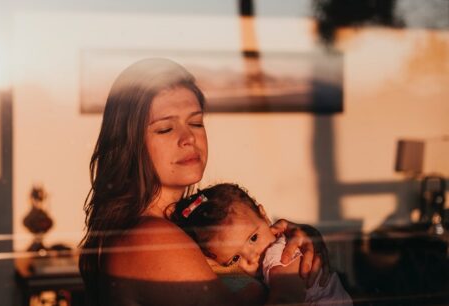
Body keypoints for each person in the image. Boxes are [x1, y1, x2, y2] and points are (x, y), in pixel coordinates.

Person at [79, 58, 331, 305]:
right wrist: (290, 275)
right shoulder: (151, 238)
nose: (188, 137)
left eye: (196, 122)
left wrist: (293, 249)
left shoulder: (186, 227)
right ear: (129, 143)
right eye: (166, 128)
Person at [171, 183, 353, 305]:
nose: (252, 258)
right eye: (235, 258)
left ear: (264, 215)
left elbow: (286, 299)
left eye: (253, 238)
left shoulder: (279, 253)